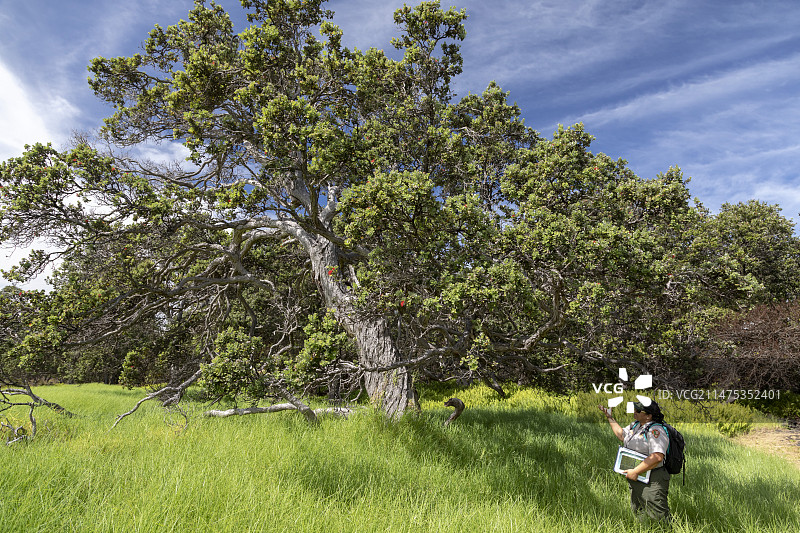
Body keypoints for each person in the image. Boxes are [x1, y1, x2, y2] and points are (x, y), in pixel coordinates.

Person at [599, 400, 671, 522]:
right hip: (637, 476)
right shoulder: (636, 425)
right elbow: (621, 435)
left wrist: (636, 471)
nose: (635, 412)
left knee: (658, 516)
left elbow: (657, 456)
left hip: (653, 478)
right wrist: (609, 417)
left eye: (638, 411)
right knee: (639, 512)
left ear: (648, 416)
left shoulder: (656, 430)